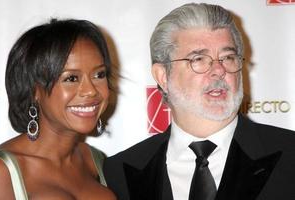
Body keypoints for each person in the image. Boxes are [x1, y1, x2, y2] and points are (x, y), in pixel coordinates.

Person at [103, 3, 295, 200]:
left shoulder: (290, 154)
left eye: (228, 57)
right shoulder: (119, 173)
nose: (219, 70)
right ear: (162, 76)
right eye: (199, 59)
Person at [0, 19, 116, 200]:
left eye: (99, 74)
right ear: (35, 89)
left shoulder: (95, 161)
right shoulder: (1, 172)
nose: (91, 90)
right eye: (71, 78)